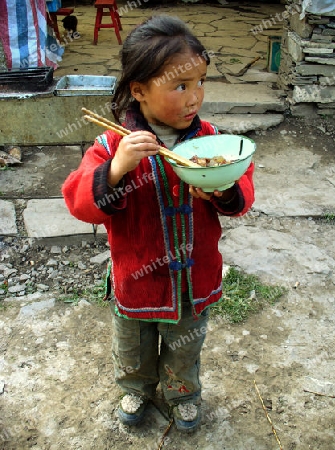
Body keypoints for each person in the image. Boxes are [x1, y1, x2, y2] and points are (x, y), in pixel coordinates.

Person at [62, 14, 255, 432]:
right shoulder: (112, 144)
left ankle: (182, 393)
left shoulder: (212, 142)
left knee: (186, 345)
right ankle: (137, 387)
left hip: (193, 278)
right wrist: (116, 169)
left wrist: (222, 190)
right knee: (133, 344)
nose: (194, 97)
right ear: (139, 91)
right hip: (138, 276)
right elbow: (78, 201)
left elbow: (242, 193)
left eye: (201, 81)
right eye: (180, 86)